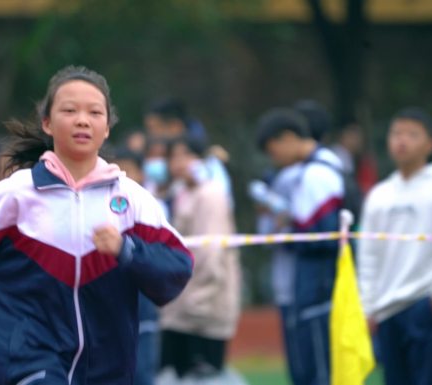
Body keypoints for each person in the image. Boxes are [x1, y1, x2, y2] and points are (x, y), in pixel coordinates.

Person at [0, 65, 194, 385]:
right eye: (69, 110)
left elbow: (177, 268)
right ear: (47, 123)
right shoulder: (16, 194)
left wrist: (128, 250)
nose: (82, 119)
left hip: (108, 366)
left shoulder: (131, 199)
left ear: (107, 128)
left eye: (94, 112)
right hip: (29, 358)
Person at [358, 107, 432, 385]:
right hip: (386, 309)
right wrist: (368, 305)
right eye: (396, 133)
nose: (402, 141)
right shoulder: (379, 195)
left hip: (424, 304)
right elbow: (368, 254)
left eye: (412, 134)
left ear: (430, 144)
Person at [255, 108, 343, 385]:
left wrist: (285, 229)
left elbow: (319, 236)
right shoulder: (314, 170)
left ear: (288, 138)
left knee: (316, 369)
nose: (275, 160)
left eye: (273, 151)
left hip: (318, 285)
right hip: (312, 283)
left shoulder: (316, 176)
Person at [158, 136, 242, 384]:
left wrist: (199, 301)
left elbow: (211, 252)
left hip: (203, 309)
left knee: (205, 377)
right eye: (173, 156)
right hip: (180, 308)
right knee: (175, 374)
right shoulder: (182, 193)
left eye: (186, 155)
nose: (179, 162)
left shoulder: (211, 195)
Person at [110, 147, 160, 385]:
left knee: (142, 371)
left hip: (143, 298)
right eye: (118, 169)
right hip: (111, 296)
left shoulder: (152, 206)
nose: (124, 175)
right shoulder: (102, 205)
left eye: (130, 169)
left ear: (142, 173)